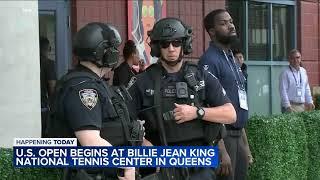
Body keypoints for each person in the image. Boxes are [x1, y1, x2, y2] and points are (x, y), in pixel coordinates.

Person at [128, 17, 236, 180]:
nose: (171, 49)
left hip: (199, 162)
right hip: (160, 163)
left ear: (184, 44)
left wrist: (197, 112)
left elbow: (230, 114)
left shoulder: (201, 76)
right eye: (165, 44)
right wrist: (142, 142)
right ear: (157, 47)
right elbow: (124, 119)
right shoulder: (143, 82)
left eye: (176, 43)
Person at [48, 22, 143, 180]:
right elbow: (91, 141)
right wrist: (126, 164)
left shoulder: (92, 83)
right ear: (103, 53)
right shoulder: (84, 88)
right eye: (113, 49)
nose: (116, 54)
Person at [199, 9, 252, 180]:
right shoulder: (209, 60)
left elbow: (238, 103)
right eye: (223, 23)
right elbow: (208, 106)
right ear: (212, 32)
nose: (231, 26)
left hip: (238, 135)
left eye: (230, 21)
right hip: (223, 136)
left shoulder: (231, 58)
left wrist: (245, 145)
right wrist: (221, 150)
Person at [39, 36, 56, 137]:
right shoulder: (48, 64)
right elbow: (52, 87)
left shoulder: (29, 63)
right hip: (43, 107)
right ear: (47, 49)